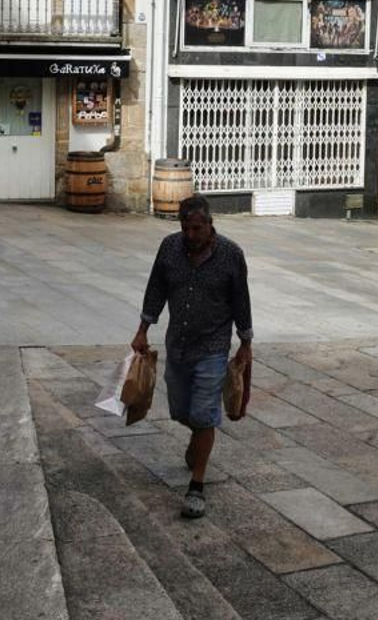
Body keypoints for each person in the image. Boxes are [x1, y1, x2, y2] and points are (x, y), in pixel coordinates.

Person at [130, 195, 254, 520]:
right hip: (179, 346)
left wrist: (245, 342)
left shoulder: (231, 255)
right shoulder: (169, 248)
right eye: (185, 227)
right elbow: (155, 289)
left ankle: (196, 486)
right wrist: (143, 329)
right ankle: (199, 438)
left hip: (212, 347)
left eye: (196, 228)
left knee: (204, 413)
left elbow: (241, 300)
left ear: (210, 225)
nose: (190, 234)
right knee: (180, 410)